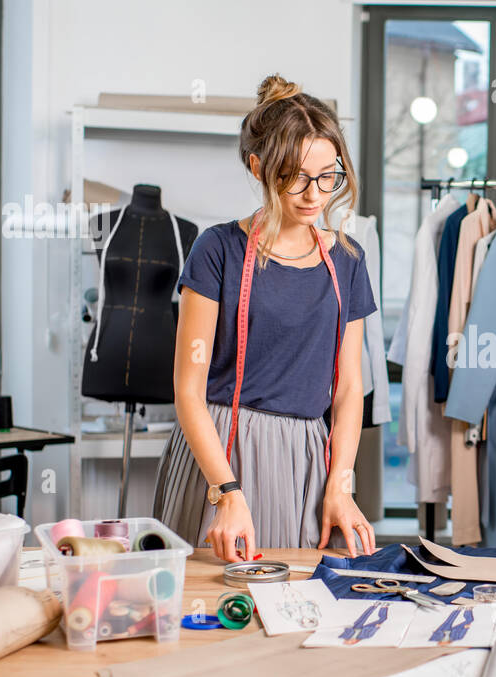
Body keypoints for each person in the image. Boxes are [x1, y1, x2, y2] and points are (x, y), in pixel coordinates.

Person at [154, 74, 377, 562]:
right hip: (222, 451)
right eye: (295, 176)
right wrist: (227, 491)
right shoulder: (218, 251)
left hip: (307, 459)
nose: (314, 194)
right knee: (213, 608)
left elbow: (347, 391)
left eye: (328, 175)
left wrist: (340, 485)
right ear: (258, 166)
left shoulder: (348, 261)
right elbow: (188, 390)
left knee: (300, 607)